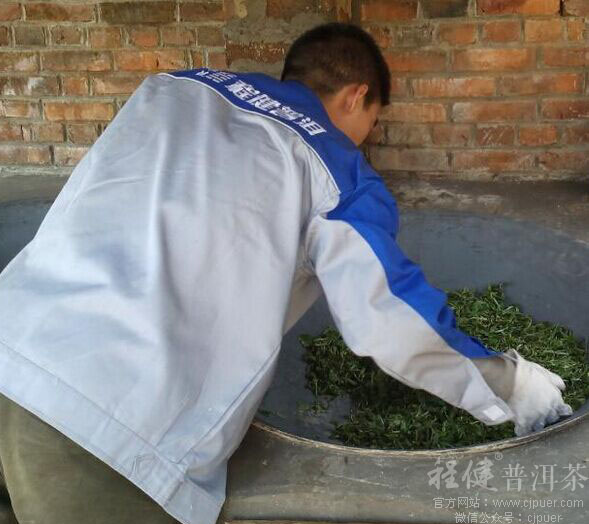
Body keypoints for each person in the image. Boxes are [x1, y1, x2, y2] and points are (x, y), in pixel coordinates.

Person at [0, 22, 573, 524]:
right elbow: (391, 319)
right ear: (357, 95)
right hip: (104, 422)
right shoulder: (338, 171)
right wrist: (509, 384)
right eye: (372, 122)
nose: (365, 140)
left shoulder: (172, 89)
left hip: (16, 334)